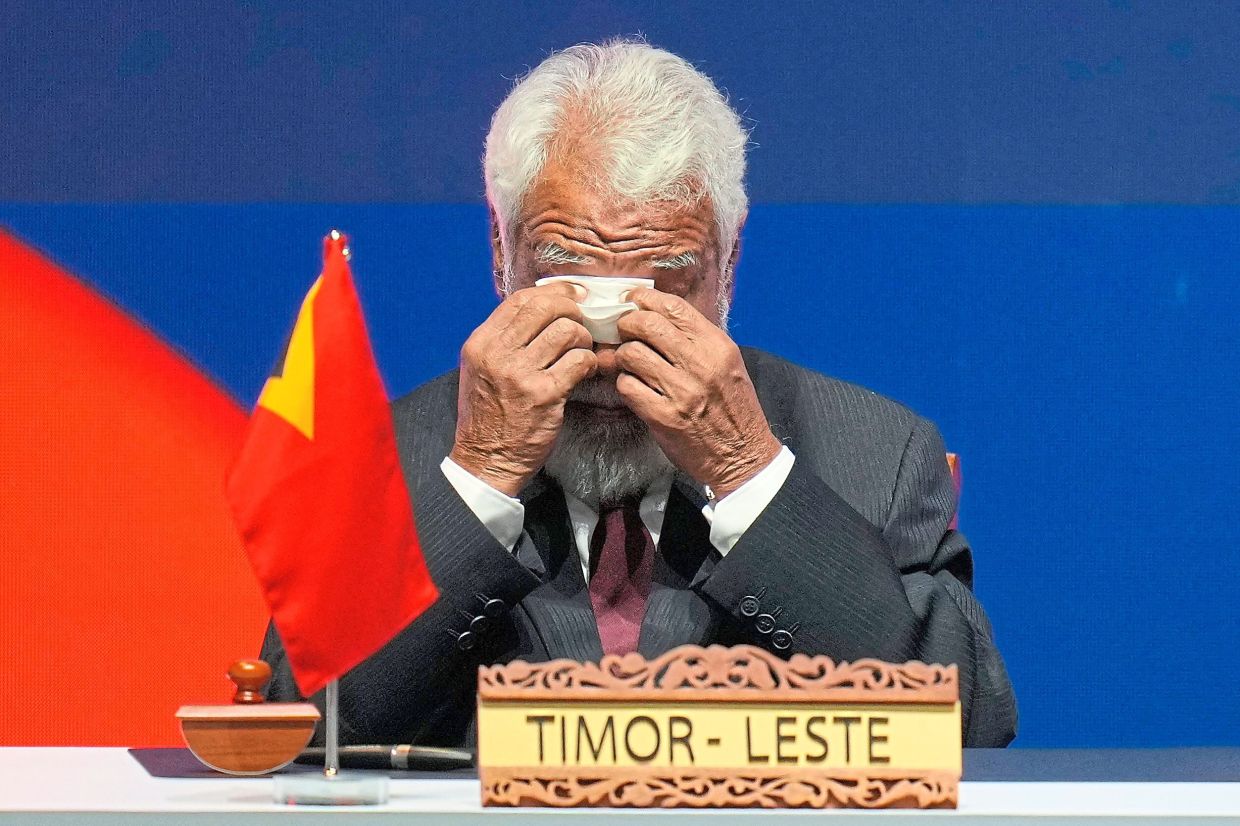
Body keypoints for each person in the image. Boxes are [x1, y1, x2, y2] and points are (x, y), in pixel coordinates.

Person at [262, 38, 1017, 747]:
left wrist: (749, 472)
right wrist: (481, 479)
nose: (607, 345)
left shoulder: (876, 455)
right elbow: (306, 729)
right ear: (501, 248)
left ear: (729, 259)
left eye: (662, 291)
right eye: (567, 283)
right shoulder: (370, 457)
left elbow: (968, 726)